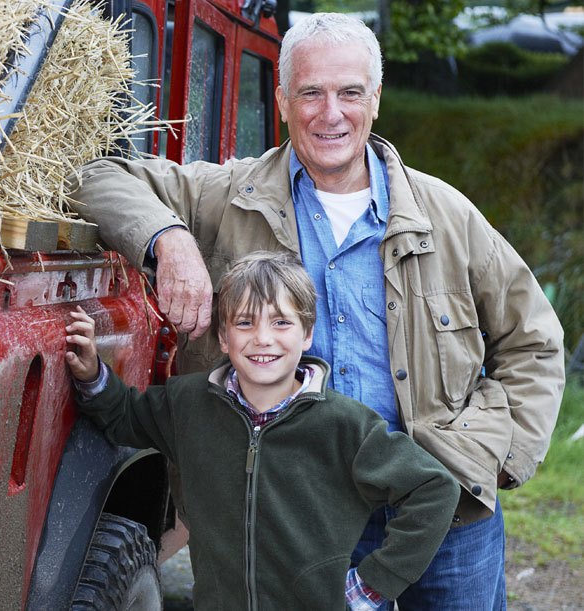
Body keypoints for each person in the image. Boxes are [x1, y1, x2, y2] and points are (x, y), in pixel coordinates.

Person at [67, 11, 565, 609]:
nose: (332, 114)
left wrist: (493, 461)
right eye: (312, 93)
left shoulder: (446, 215)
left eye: (350, 92)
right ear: (281, 100)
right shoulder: (229, 196)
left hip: (443, 511)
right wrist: (168, 240)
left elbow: (533, 341)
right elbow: (95, 176)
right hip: (296, 517)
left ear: (374, 100)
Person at [65, 251, 459, 609]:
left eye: (281, 322)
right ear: (223, 337)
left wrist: (371, 585)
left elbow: (435, 490)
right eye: (245, 322)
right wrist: (93, 373)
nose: (263, 338)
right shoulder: (186, 403)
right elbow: (124, 415)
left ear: (306, 335)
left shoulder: (346, 426)